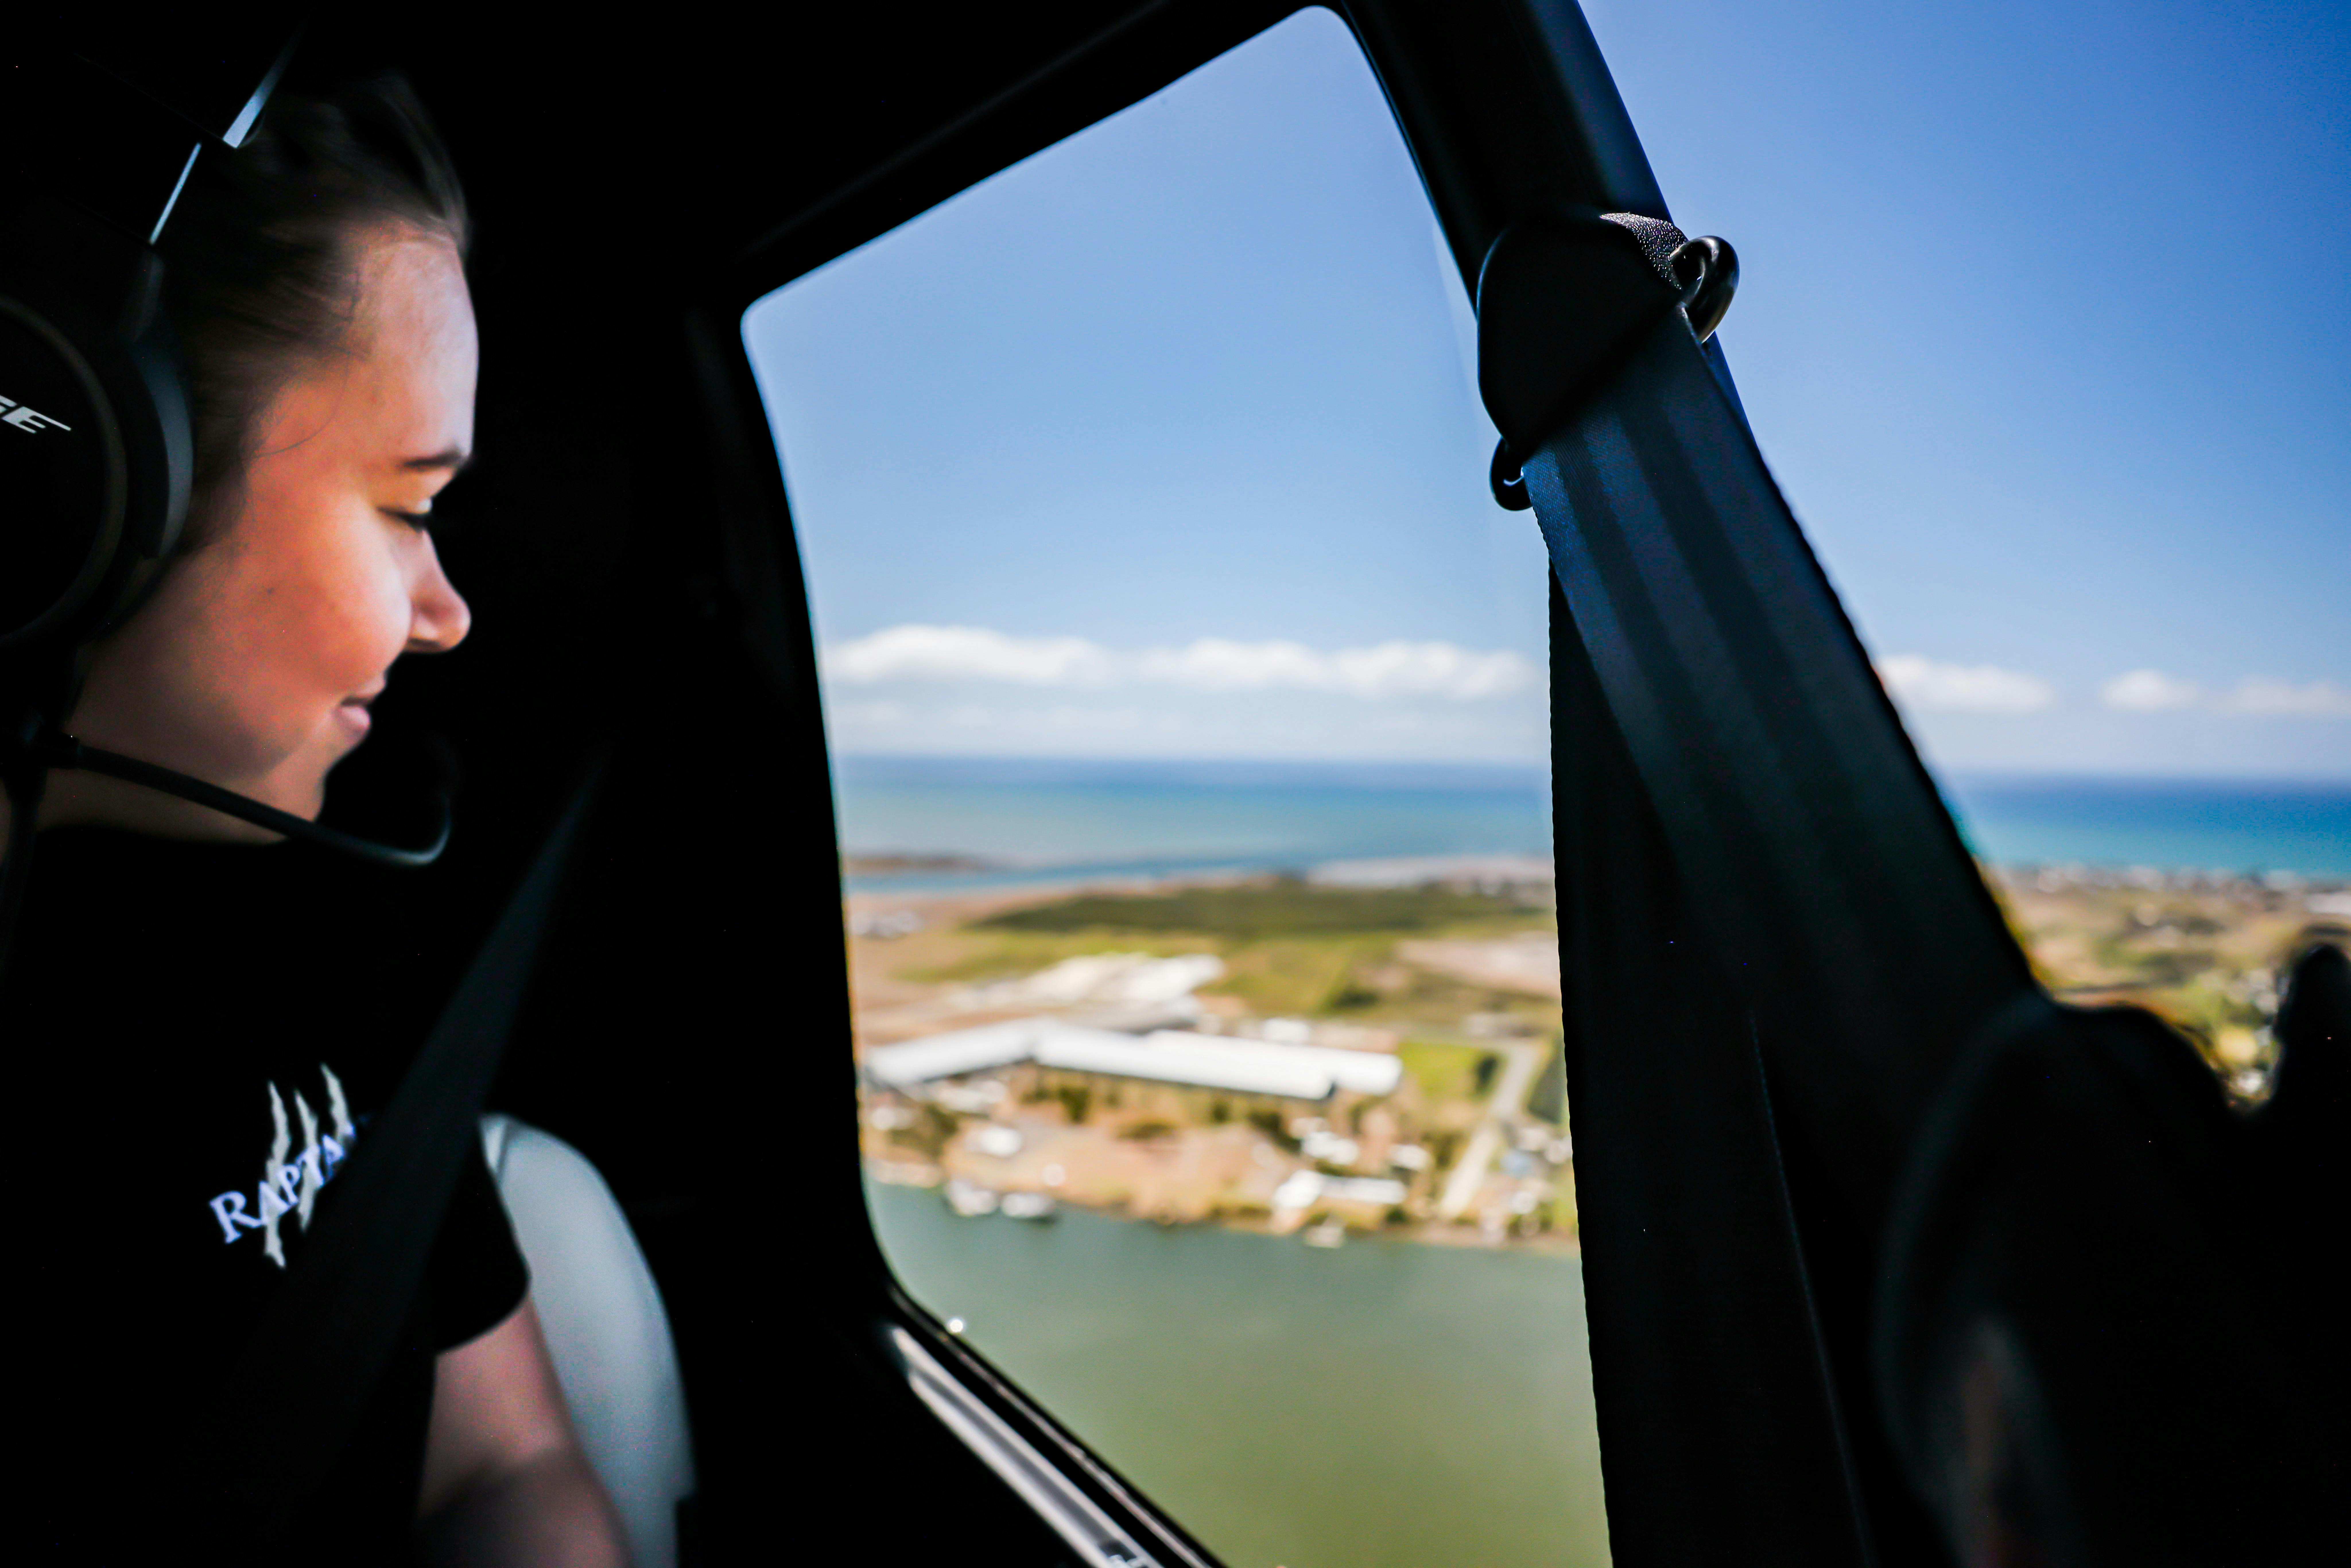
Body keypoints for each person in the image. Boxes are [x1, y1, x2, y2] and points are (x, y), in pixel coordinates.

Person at [0, 75, 630, 1565]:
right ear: (78, 475)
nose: (449, 615)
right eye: (410, 507)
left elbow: (513, 1459)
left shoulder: (303, 945)